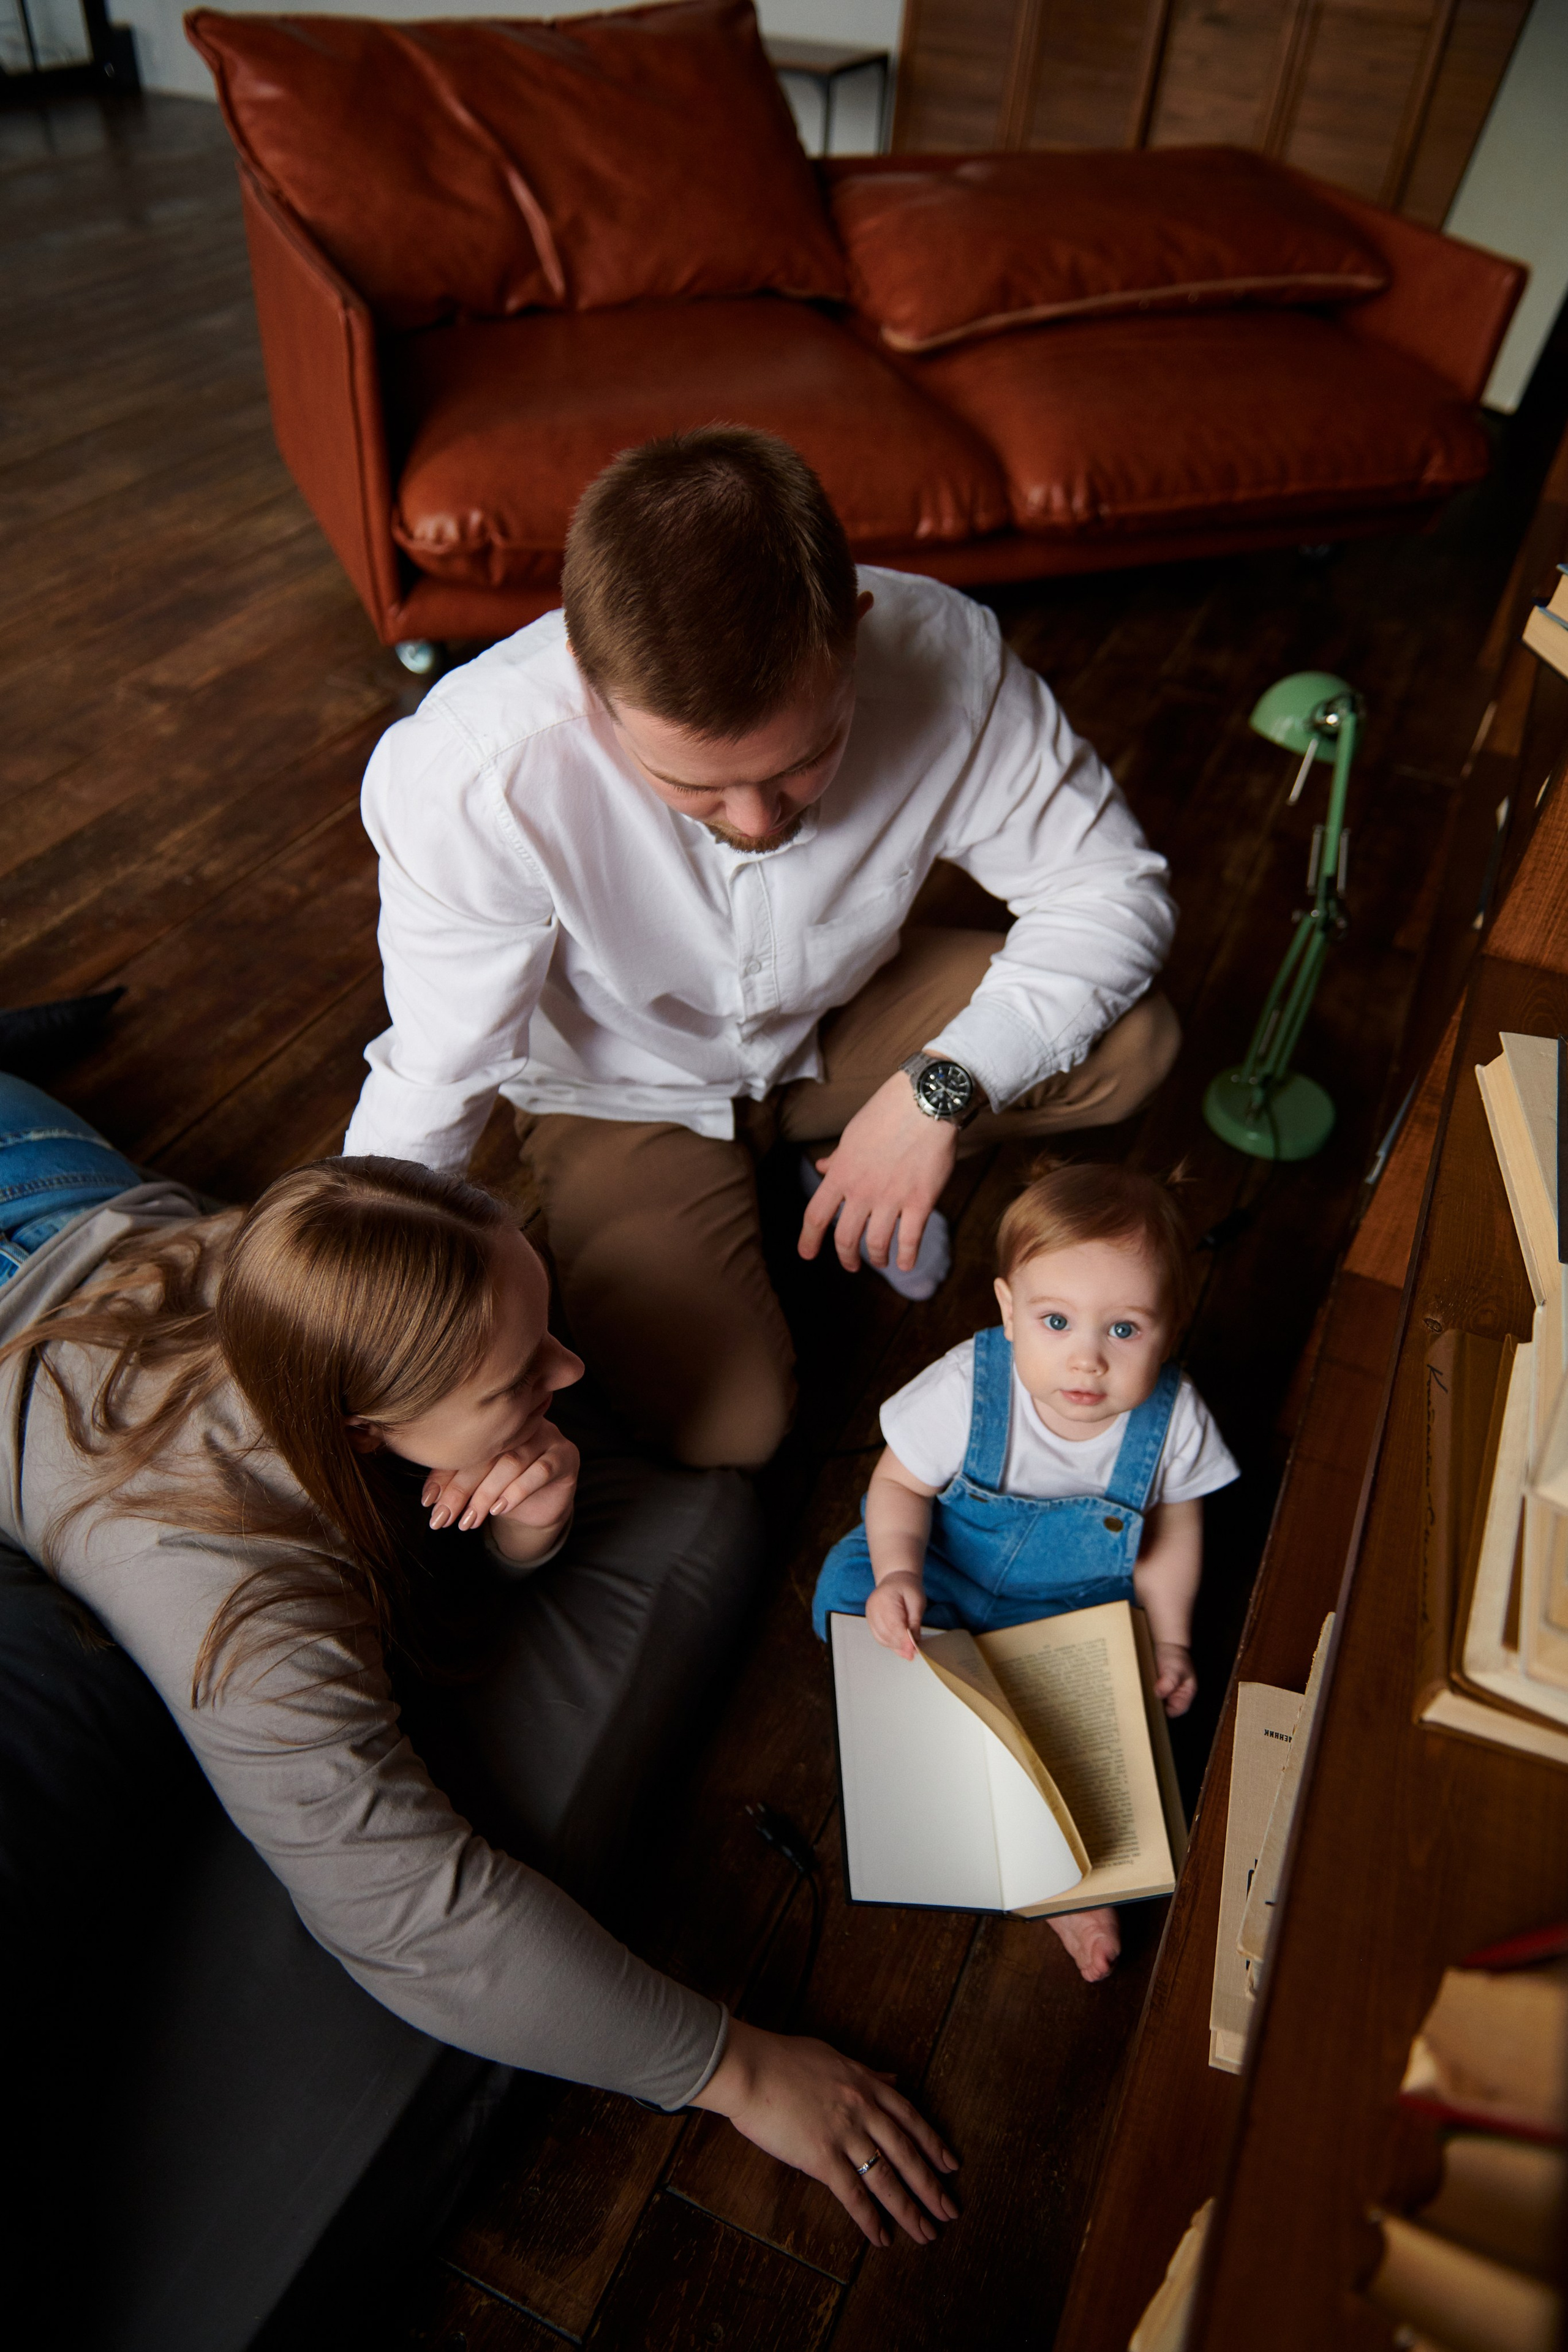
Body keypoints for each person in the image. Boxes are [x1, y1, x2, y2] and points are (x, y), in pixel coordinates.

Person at [0, 1075, 960, 2261]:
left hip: (66, 1186)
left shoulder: (315, 1265)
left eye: (543, 1334)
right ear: (362, 1428)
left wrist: (527, 1527)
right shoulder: (223, 1594)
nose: (568, 1374)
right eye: (515, 1379)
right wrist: (735, 2069)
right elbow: (409, 1914)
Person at [344, 428, 1178, 1471]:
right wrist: (358, 1323)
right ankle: (802, 1173)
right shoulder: (471, 772)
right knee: (728, 1429)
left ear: (857, 631)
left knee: (1134, 1042)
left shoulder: (947, 653)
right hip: (620, 1093)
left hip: (842, 1022)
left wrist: (937, 1094)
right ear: (587, 681)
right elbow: (440, 1070)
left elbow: (1109, 887)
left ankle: (867, 1144)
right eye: (694, 784)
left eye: (802, 762)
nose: (751, 818)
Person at [812, 1159, 1238, 1983]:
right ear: (1008, 1310)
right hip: (942, 1570)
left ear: (1173, 1324)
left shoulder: (1172, 1418)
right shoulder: (971, 1386)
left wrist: (1173, 1636)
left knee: (1104, 1732)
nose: (1087, 1362)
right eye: (1055, 1322)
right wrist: (900, 1573)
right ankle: (943, 1781)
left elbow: (1178, 1525)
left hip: (1066, 1609)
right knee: (856, 1604)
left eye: (1123, 1330)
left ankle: (1065, 1882)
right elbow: (898, 1483)